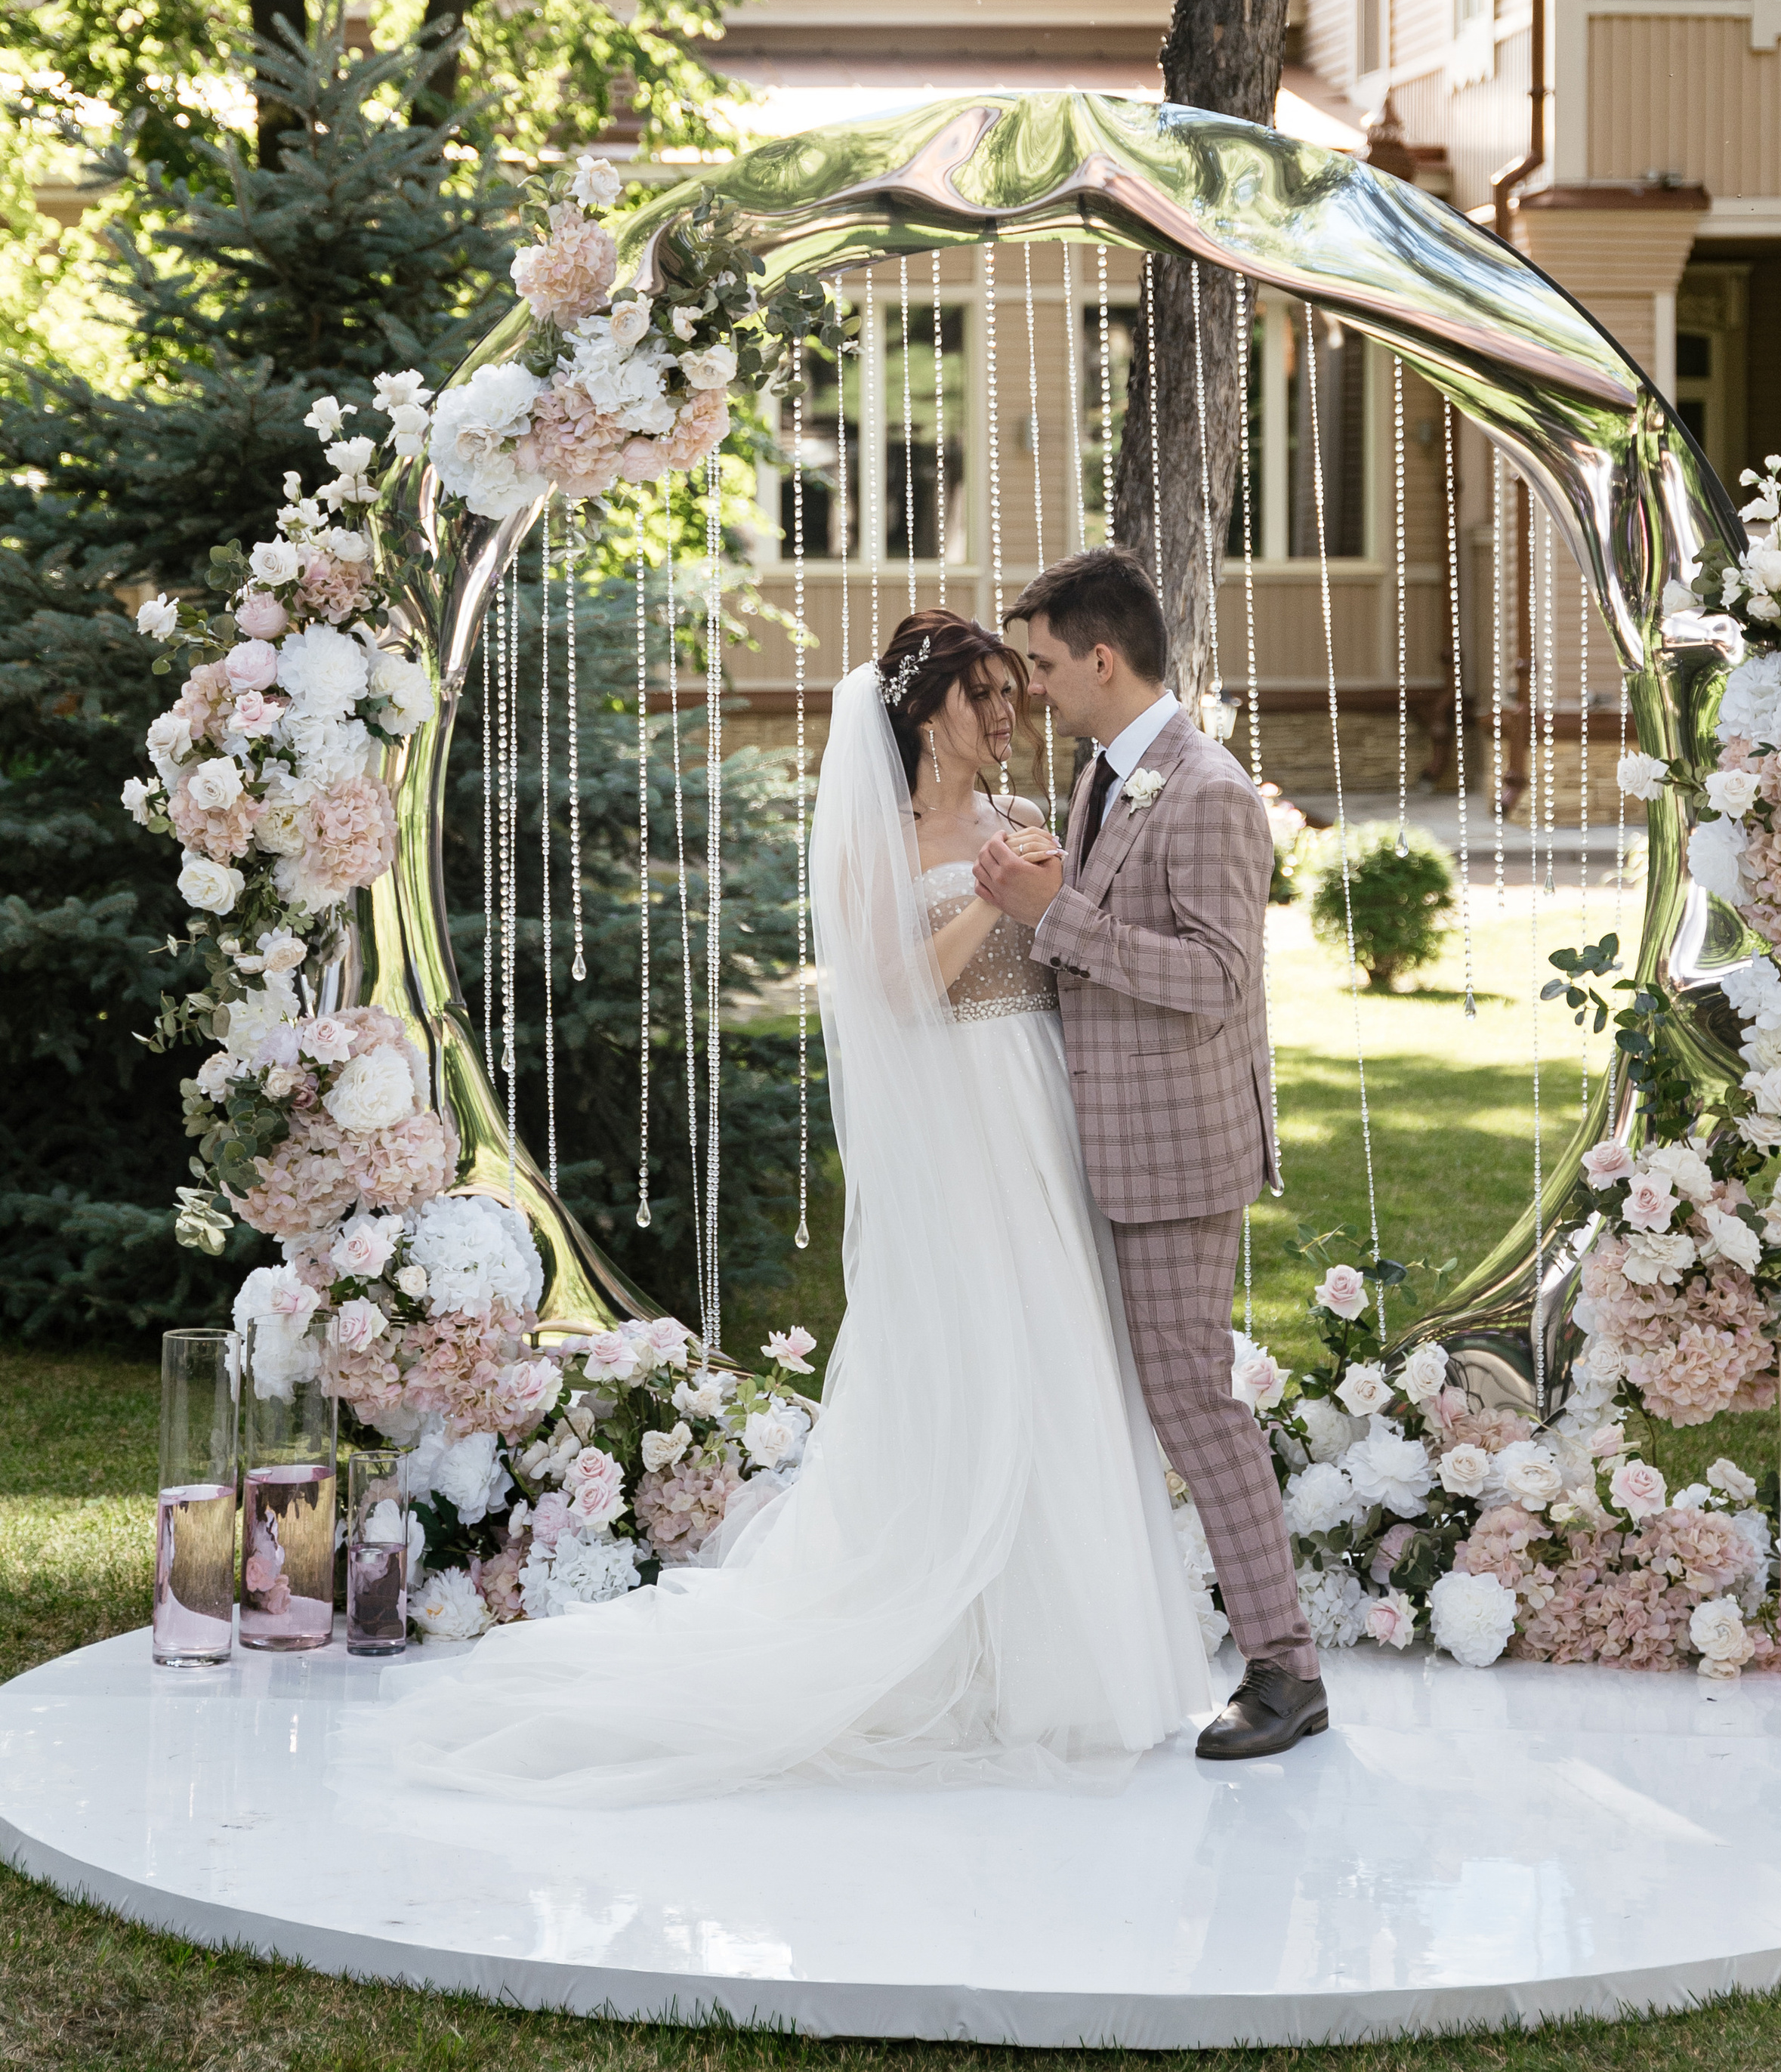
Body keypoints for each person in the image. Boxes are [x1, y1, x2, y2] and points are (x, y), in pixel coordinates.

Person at [396, 609, 1208, 1806]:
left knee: (1068, 1352)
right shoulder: (880, 835)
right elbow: (888, 989)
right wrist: (993, 898)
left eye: (1011, 695)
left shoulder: (1028, 820)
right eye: (981, 695)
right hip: (958, 1117)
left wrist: (1034, 888)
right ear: (924, 710)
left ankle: (1076, 1656)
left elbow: (1076, 959)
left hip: (1043, 1100)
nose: (1003, 717)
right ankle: (952, 1639)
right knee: (978, 1349)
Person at [977, 547, 1326, 1761]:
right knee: (1141, 1398)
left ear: (1102, 658)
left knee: (1193, 1402)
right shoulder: (1110, 775)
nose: (1033, 688)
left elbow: (1221, 980)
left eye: (1042, 664)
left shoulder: (1209, 789)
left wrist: (1053, 919)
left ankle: (1286, 1668)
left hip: (1176, 1151)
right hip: (1106, 1138)